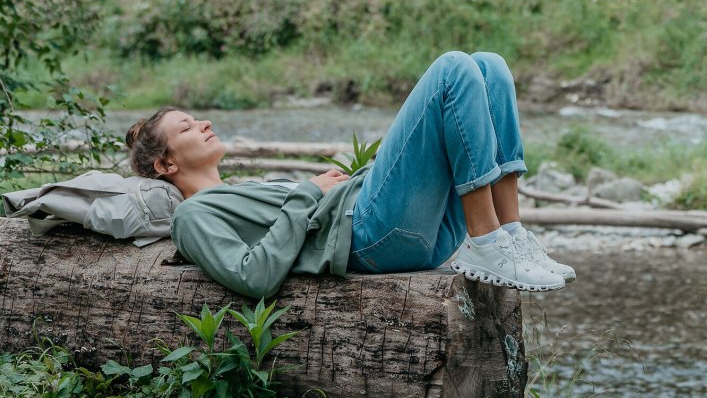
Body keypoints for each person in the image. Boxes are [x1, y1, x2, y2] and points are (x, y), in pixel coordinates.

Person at [126, 51, 575, 298]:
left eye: (196, 119)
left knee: (490, 66)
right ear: (166, 166)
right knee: (451, 70)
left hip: (406, 230)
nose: (202, 124)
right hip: (369, 237)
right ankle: (487, 242)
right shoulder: (191, 217)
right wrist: (306, 191)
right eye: (185, 127)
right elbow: (253, 275)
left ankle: (511, 232)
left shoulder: (241, 191)